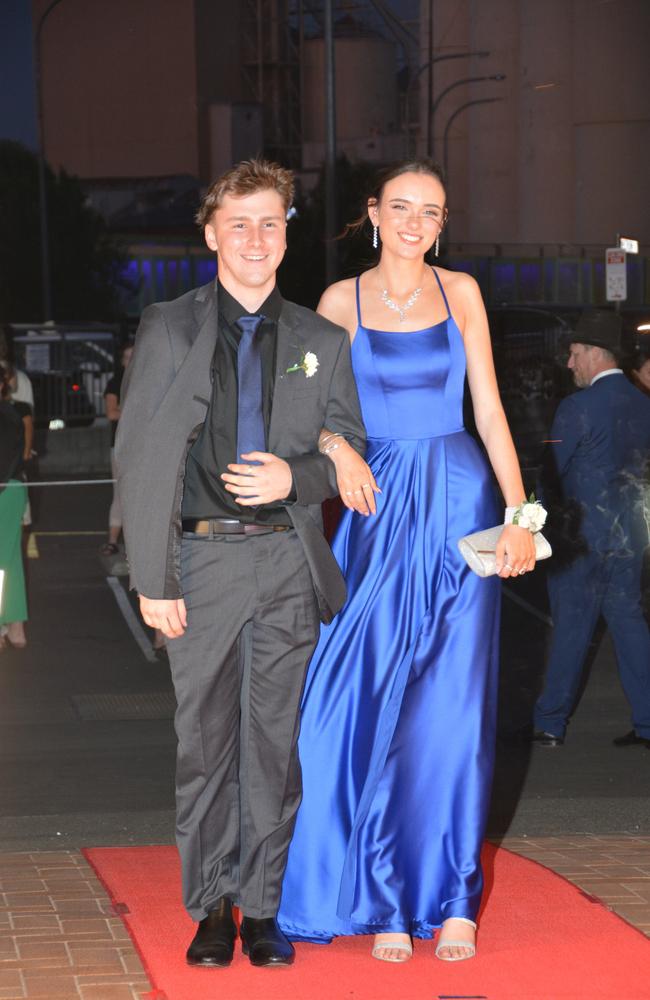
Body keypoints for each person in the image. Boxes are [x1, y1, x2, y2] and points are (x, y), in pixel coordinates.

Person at [278, 159, 537, 963]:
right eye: (402, 207)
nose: (415, 221)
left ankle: (453, 898)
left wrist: (521, 515)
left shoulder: (460, 293)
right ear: (373, 213)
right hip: (377, 505)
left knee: (453, 704)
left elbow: (488, 410)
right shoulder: (336, 303)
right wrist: (334, 447)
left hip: (460, 504)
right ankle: (385, 895)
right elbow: (302, 407)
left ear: (442, 222)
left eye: (431, 211)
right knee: (363, 692)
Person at [115, 159, 366, 969]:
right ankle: (209, 909)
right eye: (240, 222)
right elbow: (139, 458)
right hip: (201, 560)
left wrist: (304, 474)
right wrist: (153, 577)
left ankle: (261, 910)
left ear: (286, 233)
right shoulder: (169, 325)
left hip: (287, 562)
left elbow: (348, 448)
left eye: (271, 222)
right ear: (212, 233)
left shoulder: (322, 341)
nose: (256, 238)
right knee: (205, 744)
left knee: (273, 747)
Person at [532, 310, 650, 749]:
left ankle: (549, 722)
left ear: (595, 355)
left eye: (575, 353)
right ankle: (648, 722)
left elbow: (551, 474)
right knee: (629, 623)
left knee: (571, 627)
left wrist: (527, 523)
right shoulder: (643, 404)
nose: (569, 363)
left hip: (581, 538)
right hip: (630, 535)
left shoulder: (577, 407)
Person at [0, 363, 29, 652]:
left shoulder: (6, 415)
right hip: (11, 489)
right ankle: (16, 627)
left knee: (1, 560)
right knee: (10, 560)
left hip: (4, 490)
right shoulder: (12, 413)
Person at [101, 342, 133, 556]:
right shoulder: (115, 383)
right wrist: (136, 411)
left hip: (146, 447)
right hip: (122, 446)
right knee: (120, 494)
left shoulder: (148, 378)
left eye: (134, 356)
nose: (131, 361)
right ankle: (112, 540)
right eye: (127, 357)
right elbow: (111, 413)